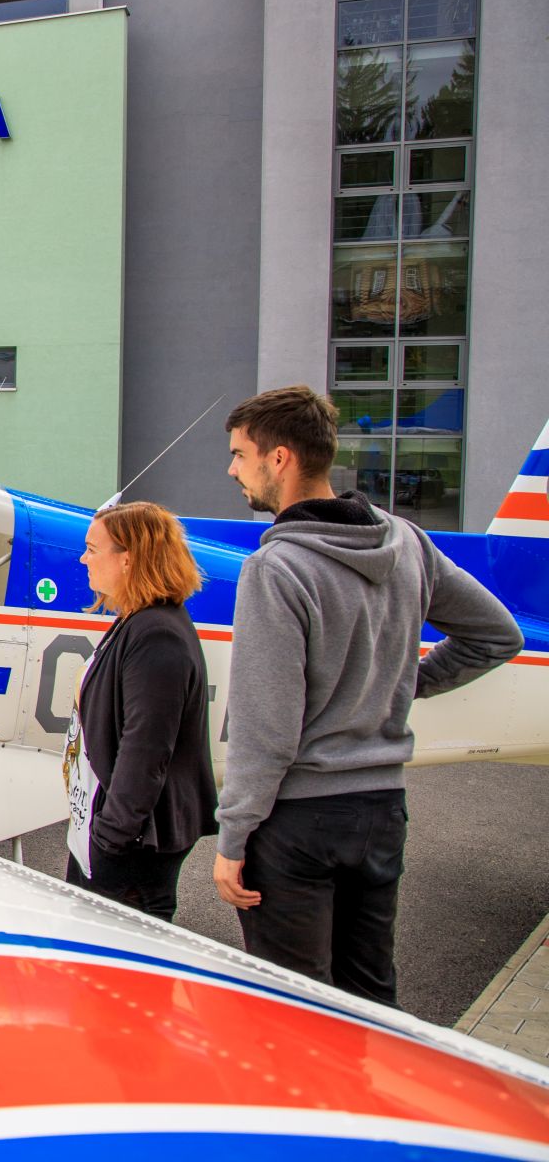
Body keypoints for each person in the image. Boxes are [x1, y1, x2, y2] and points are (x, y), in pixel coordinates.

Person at [214, 386, 522, 1005]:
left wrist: (233, 836)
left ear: (280, 459)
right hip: (381, 811)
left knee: (296, 1007)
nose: (232, 470)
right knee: (371, 999)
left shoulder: (275, 569)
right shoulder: (407, 543)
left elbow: (266, 727)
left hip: (298, 822)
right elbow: (497, 634)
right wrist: (404, 682)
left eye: (240, 454)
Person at [63, 501, 216, 921]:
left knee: (112, 956)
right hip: (111, 836)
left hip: (131, 848)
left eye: (92, 549)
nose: (83, 559)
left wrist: (110, 837)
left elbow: (145, 749)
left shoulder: (157, 634)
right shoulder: (138, 621)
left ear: (127, 559)